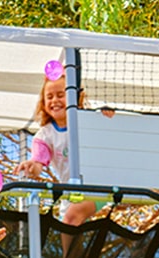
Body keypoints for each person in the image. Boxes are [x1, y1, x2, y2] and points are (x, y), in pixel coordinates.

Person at [15, 60, 112, 230]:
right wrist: (31, 166)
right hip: (71, 192)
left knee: (71, 217)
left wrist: (107, 116)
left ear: (74, 97)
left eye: (61, 95)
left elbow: (110, 137)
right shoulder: (45, 135)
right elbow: (38, 163)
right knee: (66, 227)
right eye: (49, 97)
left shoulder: (88, 121)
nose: (55, 101)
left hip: (98, 187)